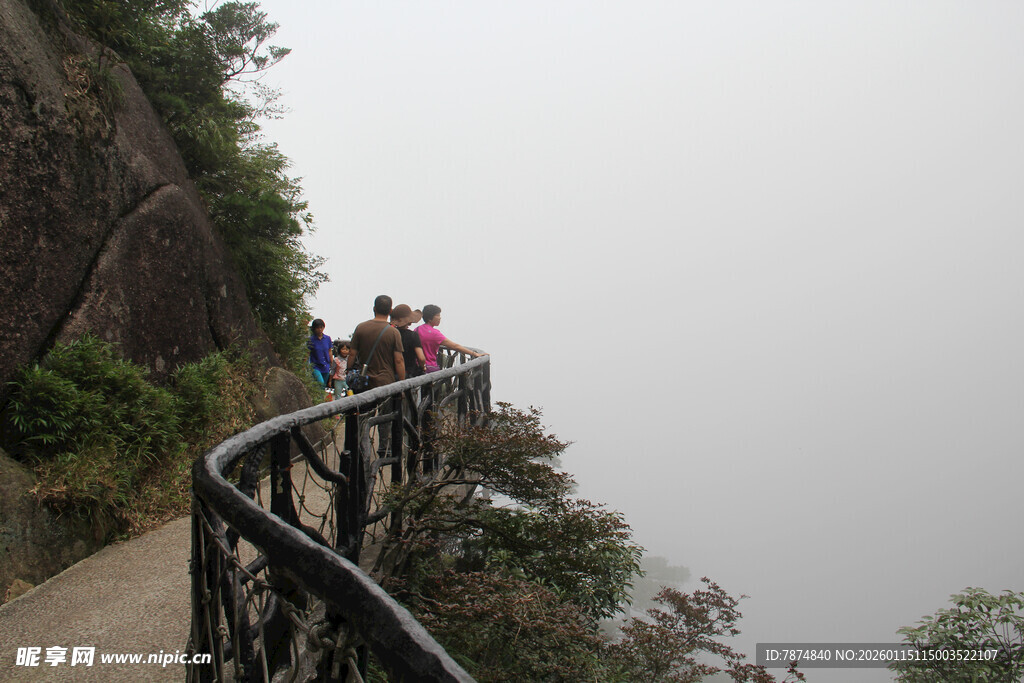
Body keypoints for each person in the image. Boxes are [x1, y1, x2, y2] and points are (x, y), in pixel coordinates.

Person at [349, 295, 405, 388]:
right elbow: (399, 360)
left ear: (374, 309)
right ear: (390, 311)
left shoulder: (361, 327)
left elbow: (352, 353)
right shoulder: (394, 332)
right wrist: (402, 384)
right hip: (385, 381)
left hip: (363, 381)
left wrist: (349, 370)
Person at [416, 304, 486, 372]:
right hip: (430, 367)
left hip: (417, 366)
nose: (440, 318)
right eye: (437, 315)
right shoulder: (434, 333)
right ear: (429, 318)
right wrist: (474, 354)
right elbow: (455, 346)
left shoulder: (417, 329)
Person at [391, 304, 427, 378]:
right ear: (410, 322)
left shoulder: (390, 333)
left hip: (390, 373)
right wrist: (422, 367)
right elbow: (421, 358)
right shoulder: (413, 335)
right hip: (408, 373)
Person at [307, 318, 333, 388]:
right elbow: (308, 353)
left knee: (323, 386)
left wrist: (332, 362)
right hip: (316, 366)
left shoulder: (327, 338)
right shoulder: (311, 340)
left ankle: (320, 399)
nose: (320, 329)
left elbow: (329, 351)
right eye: (317, 328)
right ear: (314, 329)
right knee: (320, 383)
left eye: (321, 327)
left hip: (325, 366)